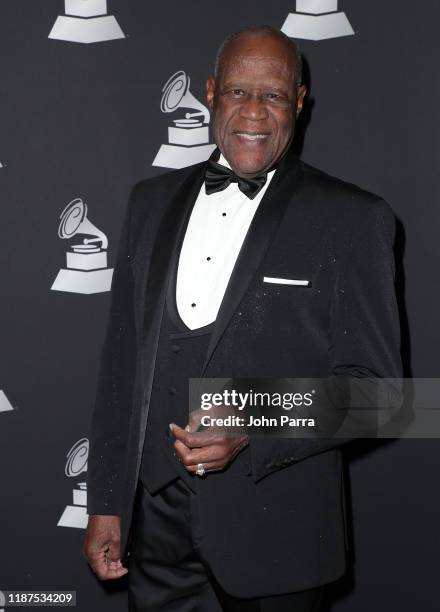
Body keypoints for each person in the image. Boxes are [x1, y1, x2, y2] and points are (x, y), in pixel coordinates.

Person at [83, 24, 402, 612]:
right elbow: (122, 369)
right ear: (211, 93)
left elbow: (383, 396)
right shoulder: (148, 204)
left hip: (278, 539)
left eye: (274, 95)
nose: (254, 112)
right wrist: (105, 501)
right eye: (237, 92)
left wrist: (252, 423)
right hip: (155, 533)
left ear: (299, 103)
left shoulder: (354, 219)